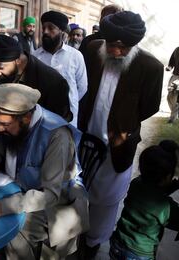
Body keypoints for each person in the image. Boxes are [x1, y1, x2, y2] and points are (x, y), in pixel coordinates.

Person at [77, 11, 164, 259]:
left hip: (117, 146)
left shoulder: (151, 67)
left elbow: (150, 106)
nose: (116, 51)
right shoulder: (93, 50)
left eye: (123, 47)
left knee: (106, 198)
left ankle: (93, 242)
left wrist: (124, 121)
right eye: (112, 45)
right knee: (78, 188)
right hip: (85, 137)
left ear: (134, 45)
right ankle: (76, 232)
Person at [0, 83, 88, 259]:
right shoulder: (13, 122)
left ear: (25, 118)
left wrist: (0, 207)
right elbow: (0, 144)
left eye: (4, 124)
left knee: (10, 227)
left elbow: (50, 195)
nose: (0, 129)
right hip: (23, 192)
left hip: (59, 205)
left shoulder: (57, 137)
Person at [110, 140, 179, 260]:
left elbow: (150, 194)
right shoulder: (164, 205)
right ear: (167, 177)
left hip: (118, 242)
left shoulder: (135, 183)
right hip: (140, 254)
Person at [0, 34, 72, 122]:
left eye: (1, 67)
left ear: (18, 60)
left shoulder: (53, 83)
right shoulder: (7, 73)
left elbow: (59, 124)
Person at [34, 11, 87, 127]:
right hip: (41, 117)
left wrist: (69, 101)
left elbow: (82, 87)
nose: (45, 32)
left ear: (62, 32)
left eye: (51, 28)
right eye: (44, 28)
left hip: (68, 118)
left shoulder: (76, 56)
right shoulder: (35, 56)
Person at [166, 47, 179, 123]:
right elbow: (171, 63)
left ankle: (172, 118)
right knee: (170, 97)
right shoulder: (177, 50)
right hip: (175, 76)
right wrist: (169, 67)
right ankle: (174, 114)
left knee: (176, 98)